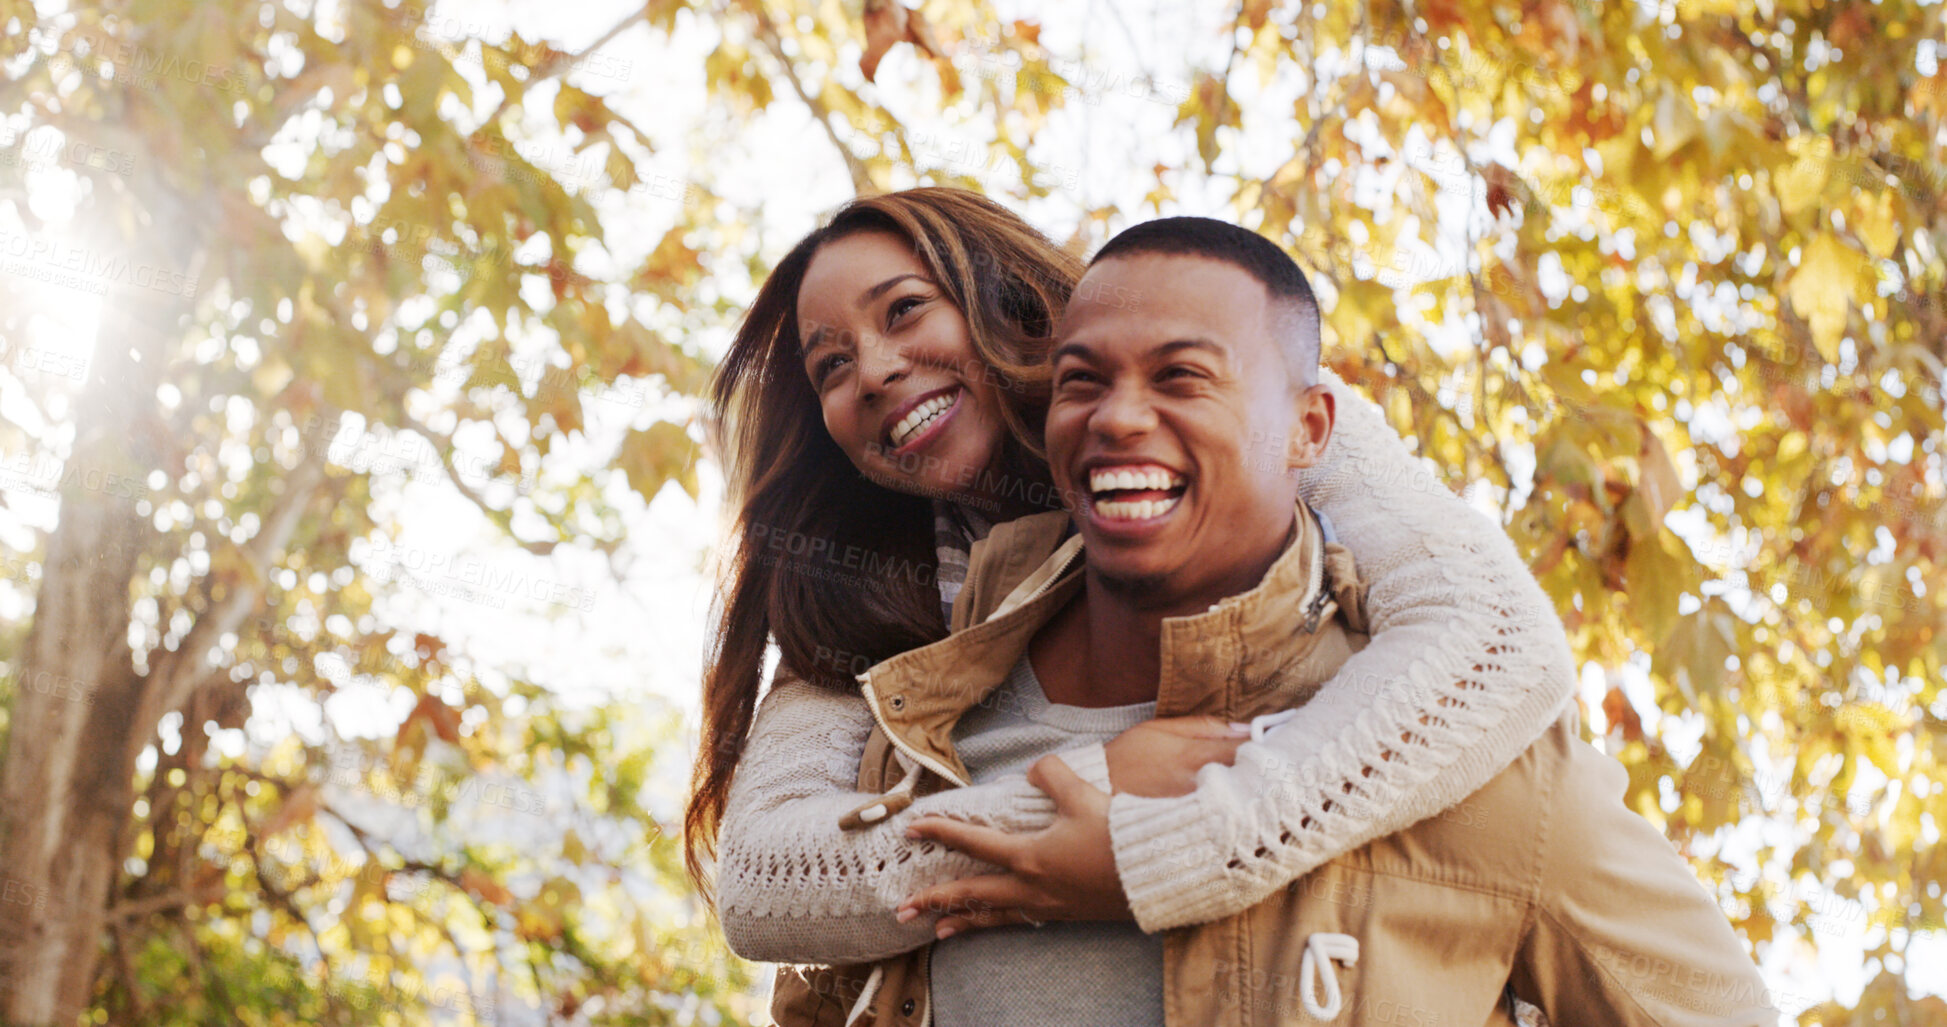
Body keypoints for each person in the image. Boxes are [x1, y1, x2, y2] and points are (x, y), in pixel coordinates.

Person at [750, 216, 1775, 1025]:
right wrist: (1086, 797)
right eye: (829, 363)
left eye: (903, 312)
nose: (874, 369)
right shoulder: (888, 683)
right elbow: (761, 886)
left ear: (1011, 309)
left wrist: (1169, 847)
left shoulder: (1431, 726)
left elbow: (1492, 633)